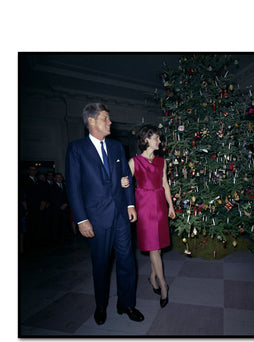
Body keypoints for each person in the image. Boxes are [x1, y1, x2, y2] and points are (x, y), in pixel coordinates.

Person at [65, 102, 144, 325]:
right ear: (91, 121)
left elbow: (126, 179)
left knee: (127, 260)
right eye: (105, 118)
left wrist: (130, 205)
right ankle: (101, 306)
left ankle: (126, 303)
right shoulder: (77, 149)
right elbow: (73, 187)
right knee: (101, 264)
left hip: (120, 214)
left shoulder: (117, 147)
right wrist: (81, 219)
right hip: (96, 218)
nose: (110, 122)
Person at [121, 125, 175, 308]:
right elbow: (125, 185)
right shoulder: (134, 161)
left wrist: (171, 206)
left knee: (158, 248)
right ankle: (163, 285)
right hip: (144, 206)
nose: (160, 141)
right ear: (146, 140)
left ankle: (152, 276)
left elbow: (165, 184)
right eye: (156, 138)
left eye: (159, 138)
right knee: (153, 248)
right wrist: (123, 182)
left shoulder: (162, 161)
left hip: (160, 205)